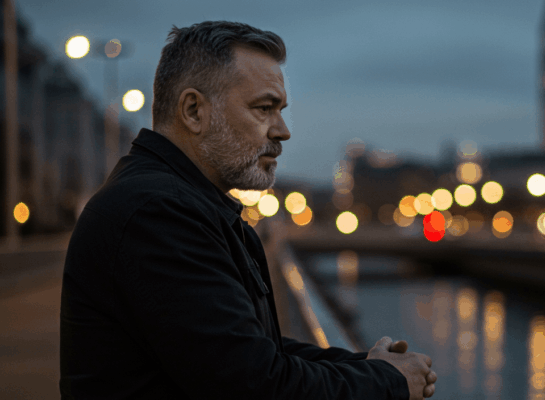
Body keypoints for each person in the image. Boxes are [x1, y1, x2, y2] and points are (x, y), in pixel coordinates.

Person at [59, 21, 436, 400]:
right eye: (264, 108)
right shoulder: (157, 213)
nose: (283, 130)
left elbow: (248, 349)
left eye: (280, 109)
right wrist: (390, 382)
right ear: (193, 111)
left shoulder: (178, 201)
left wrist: (368, 366)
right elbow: (256, 385)